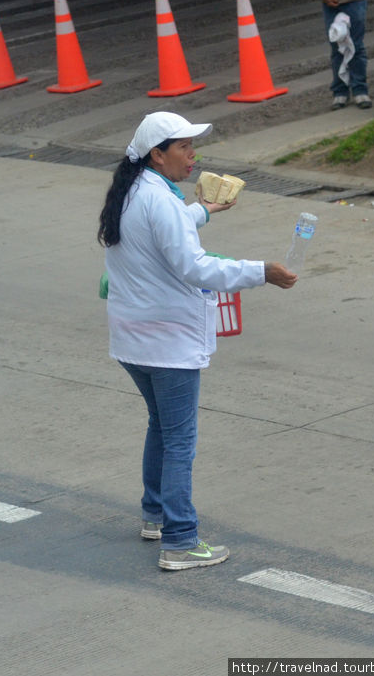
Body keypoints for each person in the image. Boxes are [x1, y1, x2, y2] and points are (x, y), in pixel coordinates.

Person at [97, 112, 296, 571]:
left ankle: (155, 515)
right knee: (180, 437)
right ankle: (181, 539)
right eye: (184, 147)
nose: (194, 156)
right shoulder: (159, 201)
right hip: (166, 343)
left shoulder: (132, 191)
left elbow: (164, 233)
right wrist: (260, 272)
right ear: (157, 154)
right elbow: (194, 266)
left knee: (161, 426)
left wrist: (206, 210)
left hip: (133, 340)